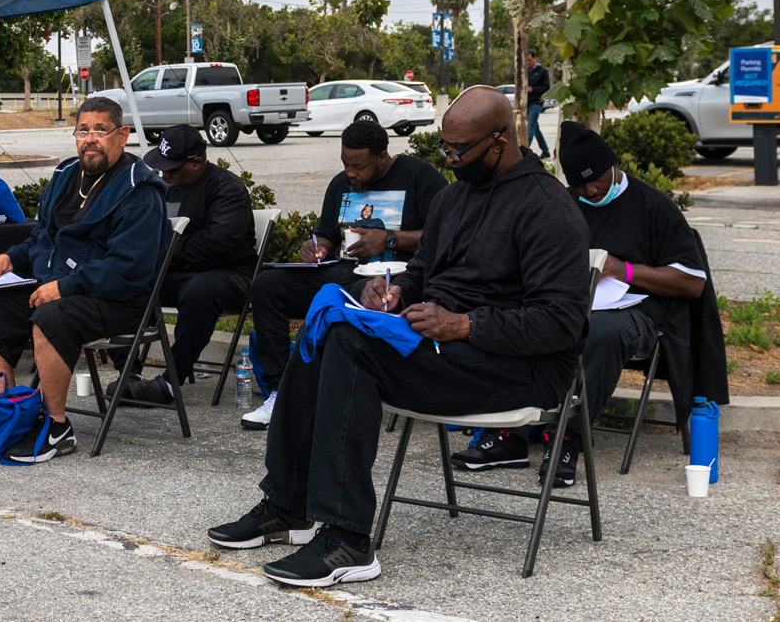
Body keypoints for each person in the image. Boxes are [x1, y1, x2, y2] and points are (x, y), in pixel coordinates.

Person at [203, 87, 587, 588]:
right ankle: (288, 505)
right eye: (445, 149)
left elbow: (561, 322)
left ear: (498, 141)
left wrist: (464, 324)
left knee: (349, 344)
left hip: (517, 368)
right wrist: (394, 292)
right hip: (443, 347)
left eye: (458, 150)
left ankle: (347, 540)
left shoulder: (547, 208)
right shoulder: (454, 197)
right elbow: (424, 272)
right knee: (326, 329)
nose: (449, 161)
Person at [449, 122, 718, 476]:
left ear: (612, 166)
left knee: (600, 330)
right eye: (579, 185)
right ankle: (508, 435)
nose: (590, 190)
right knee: (522, 316)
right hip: (568, 299)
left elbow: (693, 282)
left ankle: (565, 438)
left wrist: (625, 271)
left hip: (635, 308)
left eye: (597, 182)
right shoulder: (561, 202)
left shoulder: (653, 205)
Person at [0, 97, 169, 463]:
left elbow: (128, 269)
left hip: (120, 299)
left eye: (100, 130)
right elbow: (42, 237)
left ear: (122, 135)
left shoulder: (140, 190)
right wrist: (12, 257)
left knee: (52, 316)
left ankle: (56, 428)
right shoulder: (65, 176)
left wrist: (64, 286)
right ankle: (16, 409)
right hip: (57, 286)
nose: (90, 138)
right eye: (83, 130)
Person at [242, 118, 447, 429]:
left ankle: (329, 393)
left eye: (359, 166)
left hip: (397, 280)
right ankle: (280, 390)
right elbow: (325, 234)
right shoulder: (341, 184)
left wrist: (390, 238)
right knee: (267, 286)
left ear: (382, 156)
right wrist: (315, 247)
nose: (351, 173)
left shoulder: (419, 176)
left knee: (350, 294)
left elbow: (443, 234)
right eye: (345, 163)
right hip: (340, 274)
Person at [120, 129, 252, 405]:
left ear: (197, 162)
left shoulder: (227, 188)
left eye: (172, 169)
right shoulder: (161, 188)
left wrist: (163, 250)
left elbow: (217, 243)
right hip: (175, 271)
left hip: (226, 274)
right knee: (124, 283)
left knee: (200, 292)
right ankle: (128, 374)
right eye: (161, 168)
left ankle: (171, 382)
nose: (164, 175)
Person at [521, 48, 555, 155]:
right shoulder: (525, 71)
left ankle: (524, 152)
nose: (527, 62)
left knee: (530, 126)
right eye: (526, 60)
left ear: (535, 58)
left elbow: (546, 88)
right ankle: (545, 151)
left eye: (529, 60)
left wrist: (533, 89)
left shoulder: (542, 71)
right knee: (535, 127)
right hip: (526, 103)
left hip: (537, 103)